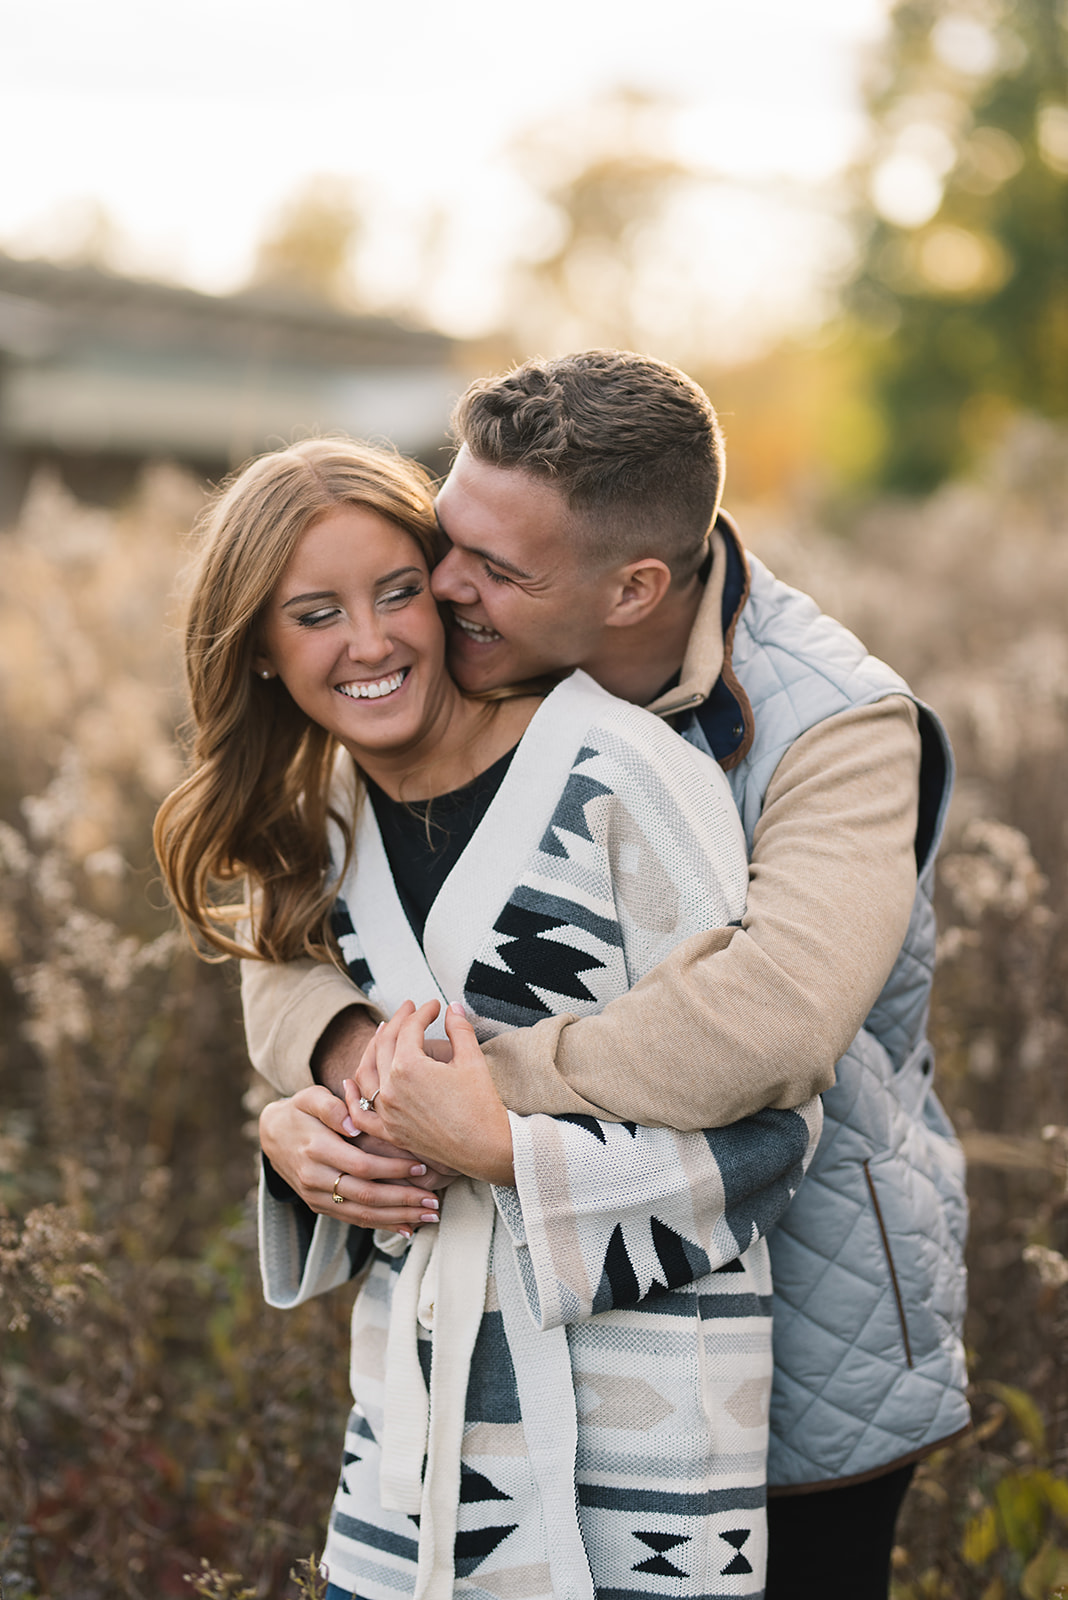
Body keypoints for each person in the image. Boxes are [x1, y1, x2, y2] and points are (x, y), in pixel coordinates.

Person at [247, 352, 969, 1600]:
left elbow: (774, 1020)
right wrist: (341, 1072)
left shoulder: (840, 726)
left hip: (805, 1299)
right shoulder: (471, 658)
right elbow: (306, 910)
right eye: (446, 537)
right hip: (515, 1314)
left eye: (495, 571)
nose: (445, 589)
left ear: (634, 587)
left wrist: (470, 1100)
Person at [153, 437, 823, 1600]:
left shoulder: (622, 777)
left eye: (398, 590)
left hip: (647, 1451)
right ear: (257, 649)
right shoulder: (311, 824)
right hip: (413, 1443)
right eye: (315, 613)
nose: (371, 641)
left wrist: (501, 1149)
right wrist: (302, 1141)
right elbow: (330, 1054)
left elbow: (774, 1132)